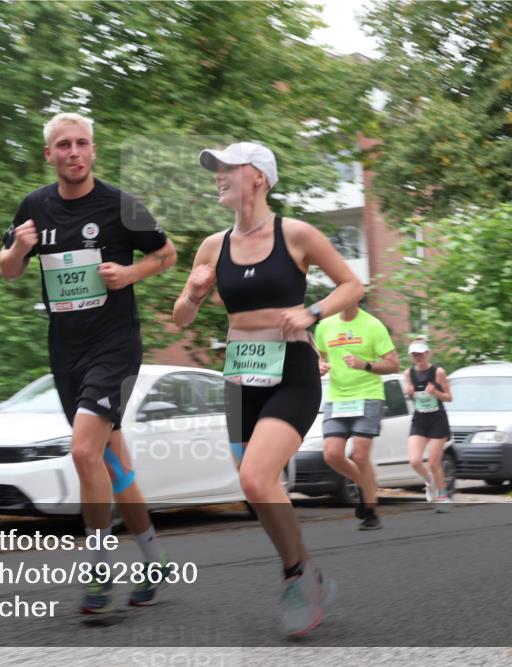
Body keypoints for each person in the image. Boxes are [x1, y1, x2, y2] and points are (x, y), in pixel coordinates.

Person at [173, 141, 364, 637]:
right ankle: (310, 573)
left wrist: (312, 312)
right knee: (255, 487)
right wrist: (193, 293)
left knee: (257, 479)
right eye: (215, 169)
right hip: (240, 375)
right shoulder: (213, 246)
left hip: (291, 372)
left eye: (226, 168)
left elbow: (351, 286)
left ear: (257, 176)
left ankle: (296, 577)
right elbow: (181, 317)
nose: (217, 176)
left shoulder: (295, 234)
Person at [0, 112, 178, 612]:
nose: (73, 152)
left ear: (93, 151)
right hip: (66, 350)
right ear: (49, 155)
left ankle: (98, 568)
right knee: (115, 465)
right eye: (63, 145)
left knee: (83, 453)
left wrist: (130, 272)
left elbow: (168, 254)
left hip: (116, 346)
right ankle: (155, 559)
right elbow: (8, 271)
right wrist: (19, 248)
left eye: (81, 144)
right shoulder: (34, 207)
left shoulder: (119, 204)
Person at [316, 305, 400, 530]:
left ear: (356, 297)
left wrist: (366, 365)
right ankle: (367, 488)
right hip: (337, 398)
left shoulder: (372, 325)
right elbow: (322, 359)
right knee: (332, 454)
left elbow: (394, 364)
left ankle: (371, 511)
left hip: (368, 396)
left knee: (360, 455)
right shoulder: (324, 326)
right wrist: (321, 367)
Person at [404, 338, 453, 512]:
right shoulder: (408, 373)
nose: (418, 357)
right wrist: (409, 394)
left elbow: (449, 397)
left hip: (437, 420)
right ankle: (430, 481)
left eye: (421, 353)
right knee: (415, 461)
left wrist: (436, 392)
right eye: (415, 354)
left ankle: (443, 497)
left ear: (428, 353)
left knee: (433, 463)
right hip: (419, 419)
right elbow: (411, 396)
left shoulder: (438, 372)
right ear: (411, 356)